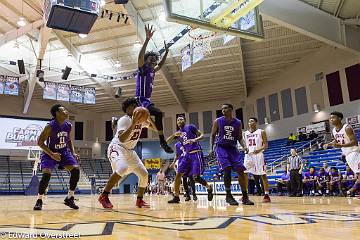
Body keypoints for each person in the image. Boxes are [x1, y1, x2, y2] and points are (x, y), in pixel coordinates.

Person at [98, 98, 156, 209]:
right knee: (123, 167)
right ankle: (104, 195)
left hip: (130, 151)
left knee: (144, 174)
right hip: (117, 147)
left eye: (137, 106)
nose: (136, 108)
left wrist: (148, 117)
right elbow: (122, 139)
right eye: (133, 106)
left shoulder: (141, 120)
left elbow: (157, 129)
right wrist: (133, 124)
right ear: (127, 109)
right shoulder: (124, 120)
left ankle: (139, 200)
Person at [33, 104, 81, 210]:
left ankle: (70, 197)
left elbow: (68, 140)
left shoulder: (68, 125)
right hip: (50, 152)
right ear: (57, 113)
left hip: (64, 152)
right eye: (63, 110)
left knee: (76, 170)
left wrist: (73, 153)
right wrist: (51, 154)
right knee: (46, 175)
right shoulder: (49, 126)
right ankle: (39, 200)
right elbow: (40, 142)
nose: (66, 111)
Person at [136, 24, 173, 154]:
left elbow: (161, 65)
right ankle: (162, 141)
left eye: (155, 59)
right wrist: (147, 39)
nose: (154, 61)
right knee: (156, 114)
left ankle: (162, 141)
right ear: (146, 60)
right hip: (140, 100)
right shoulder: (143, 69)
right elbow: (140, 57)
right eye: (151, 59)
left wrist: (166, 53)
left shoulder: (152, 70)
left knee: (154, 118)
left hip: (147, 101)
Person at [209, 103, 254, 206]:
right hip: (221, 148)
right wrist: (211, 148)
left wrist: (244, 146)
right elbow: (212, 135)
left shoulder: (238, 122)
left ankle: (245, 196)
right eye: (222, 109)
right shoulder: (218, 121)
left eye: (225, 108)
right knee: (227, 169)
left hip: (233, 149)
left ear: (231, 109)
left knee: (241, 171)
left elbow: (240, 137)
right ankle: (228, 196)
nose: (223, 110)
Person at [167, 116, 213, 203]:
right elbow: (167, 142)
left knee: (196, 178)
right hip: (186, 156)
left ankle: (209, 187)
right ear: (176, 123)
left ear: (184, 120)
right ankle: (176, 197)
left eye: (181, 119)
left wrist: (195, 139)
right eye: (178, 120)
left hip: (196, 153)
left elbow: (202, 135)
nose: (180, 120)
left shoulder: (190, 127)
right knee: (178, 175)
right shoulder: (178, 133)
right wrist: (173, 135)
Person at [324, 111, 360, 198]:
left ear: (339, 118)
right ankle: (352, 190)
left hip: (355, 152)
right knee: (358, 175)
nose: (331, 120)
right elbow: (337, 140)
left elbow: (354, 142)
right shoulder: (333, 130)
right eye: (330, 118)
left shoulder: (347, 127)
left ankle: (351, 190)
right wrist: (329, 144)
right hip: (348, 155)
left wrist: (341, 145)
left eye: (333, 118)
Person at [244, 117, 271, 203]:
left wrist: (259, 150)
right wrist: (244, 148)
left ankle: (266, 195)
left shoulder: (261, 132)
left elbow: (266, 145)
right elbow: (244, 144)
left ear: (256, 123)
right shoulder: (245, 133)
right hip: (248, 155)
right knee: (244, 173)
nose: (250, 123)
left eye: (252, 121)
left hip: (258, 155)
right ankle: (245, 194)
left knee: (263, 175)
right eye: (249, 121)